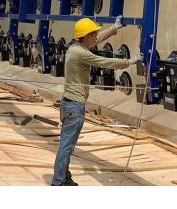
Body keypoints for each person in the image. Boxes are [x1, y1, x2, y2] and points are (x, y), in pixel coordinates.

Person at [51, 16, 142, 186]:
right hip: (74, 107)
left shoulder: (75, 47)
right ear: (86, 37)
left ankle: (64, 177)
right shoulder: (81, 53)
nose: (95, 37)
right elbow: (104, 62)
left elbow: (96, 40)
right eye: (93, 34)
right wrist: (130, 61)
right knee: (66, 146)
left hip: (69, 104)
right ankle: (58, 183)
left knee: (67, 145)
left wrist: (115, 28)